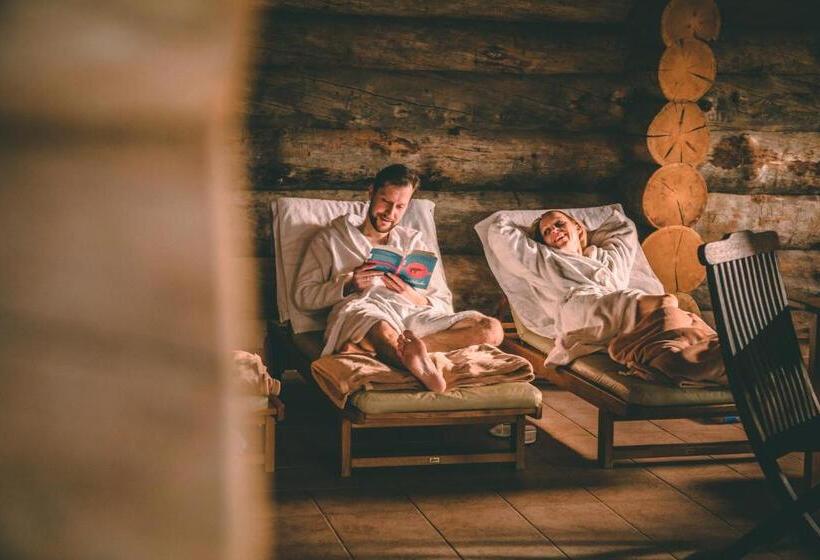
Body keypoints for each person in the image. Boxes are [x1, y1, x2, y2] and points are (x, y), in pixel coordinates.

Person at [294, 164, 504, 393]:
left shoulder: (414, 243)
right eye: (385, 201)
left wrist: (410, 294)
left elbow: (443, 302)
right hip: (364, 310)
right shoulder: (331, 239)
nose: (390, 213)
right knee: (381, 329)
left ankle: (395, 353)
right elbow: (303, 297)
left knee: (491, 328)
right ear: (371, 192)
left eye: (400, 207)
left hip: (412, 314)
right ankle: (408, 357)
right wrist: (349, 284)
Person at [487, 208, 725, 385]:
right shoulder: (544, 260)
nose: (554, 232)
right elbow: (499, 230)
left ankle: (680, 359)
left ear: (578, 227)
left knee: (671, 333)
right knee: (666, 302)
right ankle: (715, 356)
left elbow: (622, 225)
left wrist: (581, 222)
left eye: (559, 224)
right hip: (581, 309)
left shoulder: (606, 257)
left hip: (617, 307)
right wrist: (534, 222)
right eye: (547, 232)